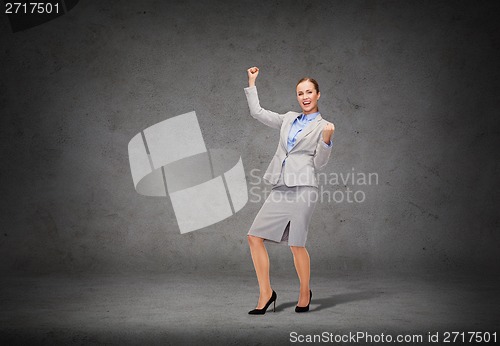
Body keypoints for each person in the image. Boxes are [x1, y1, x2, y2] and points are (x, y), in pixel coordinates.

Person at [245, 66, 335, 314]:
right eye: (300, 93)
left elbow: (319, 163)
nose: (304, 97)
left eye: (309, 92)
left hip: (304, 187)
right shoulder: (288, 118)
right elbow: (257, 112)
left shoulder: (324, 126)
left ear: (318, 95)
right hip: (281, 185)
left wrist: (326, 141)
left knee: (296, 244)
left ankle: (304, 292)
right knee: (254, 237)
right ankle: (266, 293)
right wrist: (252, 83)